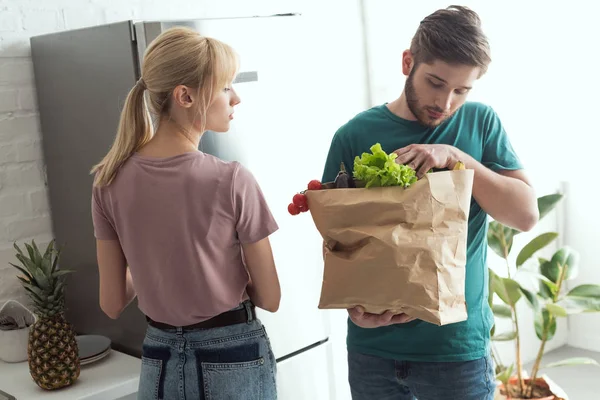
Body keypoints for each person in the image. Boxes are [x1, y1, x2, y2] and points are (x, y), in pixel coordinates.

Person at [321, 6, 539, 400]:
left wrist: (455, 156)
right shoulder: (354, 134)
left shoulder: (479, 123)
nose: (446, 101)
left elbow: (524, 215)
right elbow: (338, 238)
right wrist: (355, 310)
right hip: (373, 354)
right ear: (408, 62)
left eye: (461, 90)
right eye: (435, 83)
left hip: (456, 353)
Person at [89, 27, 281, 400]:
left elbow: (112, 303)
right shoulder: (231, 179)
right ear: (186, 96)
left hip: (158, 359)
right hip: (233, 356)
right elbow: (270, 297)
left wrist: (152, 266)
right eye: (226, 87)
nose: (235, 98)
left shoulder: (107, 181)